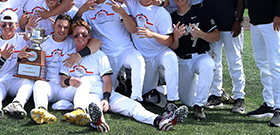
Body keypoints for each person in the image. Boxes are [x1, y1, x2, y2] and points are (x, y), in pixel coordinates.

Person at [60, 20, 188, 131]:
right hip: (87, 94)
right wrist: (69, 80)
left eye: (84, 34)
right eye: (77, 35)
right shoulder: (67, 56)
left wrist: (106, 98)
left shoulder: (99, 55)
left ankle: (160, 120)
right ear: (72, 37)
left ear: (89, 36)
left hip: (106, 92)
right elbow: (63, 80)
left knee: (133, 106)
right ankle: (99, 122)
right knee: (94, 106)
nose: (80, 37)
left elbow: (107, 80)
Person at [197, 0, 246, 113]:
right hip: (212, 26)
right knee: (214, 62)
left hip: (230, 24)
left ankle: (239, 97)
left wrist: (238, 20)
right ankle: (216, 94)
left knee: (235, 62)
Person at [76, 0, 146, 102]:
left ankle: (136, 98)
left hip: (125, 49)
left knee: (138, 61)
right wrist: (81, 11)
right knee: (108, 89)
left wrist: (122, 12)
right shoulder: (88, 9)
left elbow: (132, 29)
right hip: (106, 54)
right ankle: (116, 93)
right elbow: (74, 27)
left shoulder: (117, 4)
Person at [30, 14, 102, 124]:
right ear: (53, 26)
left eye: (66, 27)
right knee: (38, 84)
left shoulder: (72, 40)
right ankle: (42, 110)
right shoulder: (43, 41)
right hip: (49, 85)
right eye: (59, 26)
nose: (62, 30)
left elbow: (97, 42)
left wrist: (80, 54)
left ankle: (79, 110)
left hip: (66, 86)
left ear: (69, 30)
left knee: (84, 83)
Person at [126, 0, 179, 109]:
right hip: (143, 56)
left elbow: (169, 40)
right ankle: (160, 90)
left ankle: (172, 101)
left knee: (171, 58)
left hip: (159, 52)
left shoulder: (161, 12)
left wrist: (152, 34)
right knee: (146, 93)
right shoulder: (132, 3)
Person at [169, 0, 218, 121]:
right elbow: (172, 46)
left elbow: (216, 36)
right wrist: (176, 38)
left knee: (208, 64)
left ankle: (200, 105)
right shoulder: (171, 17)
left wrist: (201, 34)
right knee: (186, 102)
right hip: (181, 60)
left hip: (199, 57)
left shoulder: (200, 13)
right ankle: (193, 98)